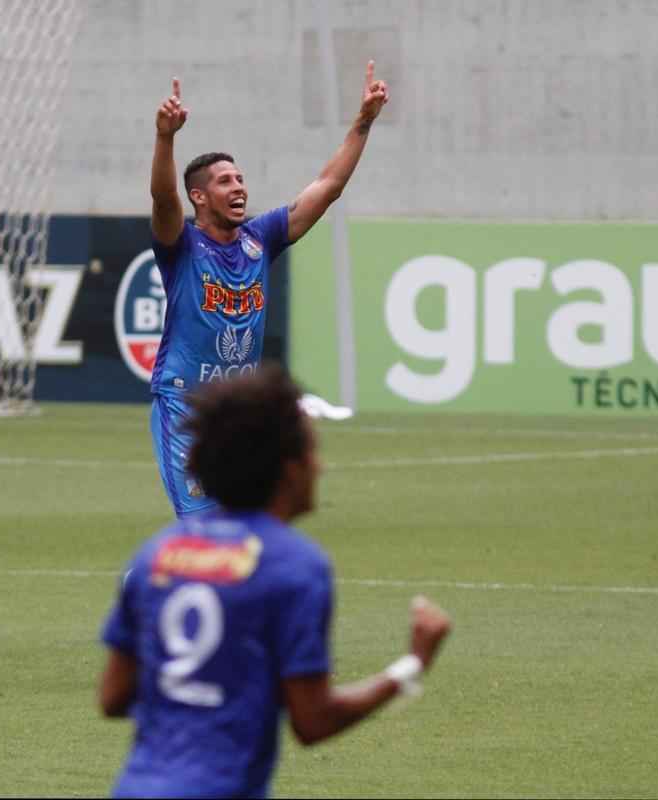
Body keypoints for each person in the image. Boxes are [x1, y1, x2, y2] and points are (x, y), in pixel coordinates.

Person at [98, 366, 452, 799]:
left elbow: (113, 697)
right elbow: (313, 721)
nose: (320, 466)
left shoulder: (158, 553)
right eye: (312, 453)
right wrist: (411, 666)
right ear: (287, 471)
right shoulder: (295, 566)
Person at [147, 62, 389, 517]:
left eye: (240, 179)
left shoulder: (261, 238)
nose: (238, 187)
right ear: (199, 197)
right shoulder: (181, 246)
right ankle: (145, 583)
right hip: (184, 404)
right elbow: (163, 200)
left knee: (245, 520)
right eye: (225, 182)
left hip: (238, 409)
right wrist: (165, 138)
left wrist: (364, 122)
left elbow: (328, 186)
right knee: (206, 521)